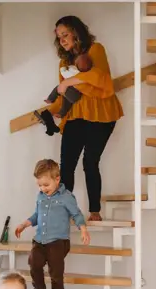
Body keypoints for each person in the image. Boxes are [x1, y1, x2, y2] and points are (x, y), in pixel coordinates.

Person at [52, 15, 124, 222]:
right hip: (76, 115)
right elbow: (66, 93)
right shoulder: (64, 63)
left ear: (76, 32)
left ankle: (94, 212)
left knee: (90, 162)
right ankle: (65, 213)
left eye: (66, 35)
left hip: (102, 114)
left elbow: (100, 78)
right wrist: (54, 110)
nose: (63, 40)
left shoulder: (95, 49)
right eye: (60, 37)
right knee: (66, 166)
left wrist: (69, 82)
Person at [14, 159, 90, 289]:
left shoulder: (66, 197)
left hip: (58, 241)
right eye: (40, 185)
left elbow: (77, 214)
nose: (42, 188)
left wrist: (83, 229)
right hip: (40, 240)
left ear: (57, 179)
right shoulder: (40, 197)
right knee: (33, 263)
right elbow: (37, 215)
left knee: (56, 270)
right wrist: (24, 224)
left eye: (46, 185)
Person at [34, 52, 93, 136]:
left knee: (58, 88)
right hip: (76, 96)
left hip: (73, 93)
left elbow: (63, 72)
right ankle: (61, 113)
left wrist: (65, 68)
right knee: (66, 102)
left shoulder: (74, 71)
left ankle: (51, 99)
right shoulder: (86, 73)